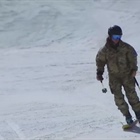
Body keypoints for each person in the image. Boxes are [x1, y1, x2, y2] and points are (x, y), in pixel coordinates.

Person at [96, 25, 140, 125]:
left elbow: (133, 58)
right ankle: (127, 116)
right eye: (115, 37)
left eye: (119, 37)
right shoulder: (104, 50)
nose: (117, 39)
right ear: (110, 36)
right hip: (114, 77)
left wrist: (134, 69)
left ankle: (138, 113)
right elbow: (100, 61)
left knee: (132, 95)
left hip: (127, 75)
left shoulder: (126, 47)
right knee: (118, 97)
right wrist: (99, 72)